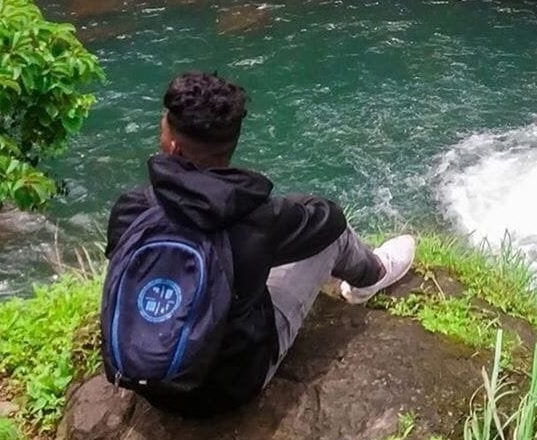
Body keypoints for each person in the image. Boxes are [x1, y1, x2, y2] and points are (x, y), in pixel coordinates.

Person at [103, 70, 415, 417]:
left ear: (173, 147)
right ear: (230, 146)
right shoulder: (258, 219)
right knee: (331, 237)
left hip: (147, 382)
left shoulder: (132, 208)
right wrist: (290, 212)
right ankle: (374, 275)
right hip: (230, 388)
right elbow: (331, 220)